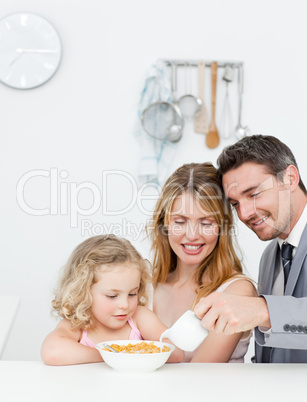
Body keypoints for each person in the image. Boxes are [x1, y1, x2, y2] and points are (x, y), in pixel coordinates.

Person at [194, 134, 307, 363]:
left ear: (290, 178)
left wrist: (262, 311)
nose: (244, 214)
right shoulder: (269, 256)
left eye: (254, 194)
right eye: (235, 203)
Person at [147, 162, 256, 363]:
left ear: (222, 227)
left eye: (206, 223)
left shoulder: (237, 292)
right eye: (180, 221)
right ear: (165, 223)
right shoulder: (146, 288)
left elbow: (197, 378)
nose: (192, 235)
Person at [41, 234, 184, 365]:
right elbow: (52, 353)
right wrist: (111, 355)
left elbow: (176, 353)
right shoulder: (78, 324)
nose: (124, 305)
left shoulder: (139, 317)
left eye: (132, 294)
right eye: (112, 296)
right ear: (83, 292)